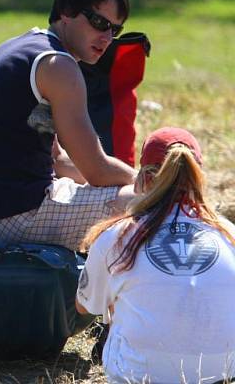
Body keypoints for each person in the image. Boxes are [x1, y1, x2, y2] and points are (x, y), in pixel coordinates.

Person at [0, 0, 137, 251]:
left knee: (133, 193)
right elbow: (97, 170)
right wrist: (151, 184)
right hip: (15, 217)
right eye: (98, 22)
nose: (107, 37)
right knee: (144, 203)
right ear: (66, 11)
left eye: (115, 29)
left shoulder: (25, 48)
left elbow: (58, 162)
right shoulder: (59, 66)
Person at [77, 127, 235, 383]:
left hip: (138, 375)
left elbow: (84, 306)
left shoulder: (116, 235)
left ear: (143, 178)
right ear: (198, 177)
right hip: (223, 373)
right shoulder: (228, 232)